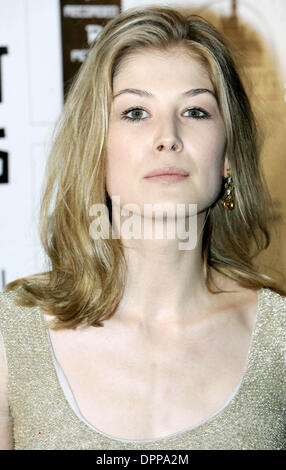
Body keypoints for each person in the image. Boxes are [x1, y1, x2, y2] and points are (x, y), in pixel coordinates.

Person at [0, 6, 285, 451]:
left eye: (195, 111)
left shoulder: (280, 339)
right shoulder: (12, 337)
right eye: (135, 112)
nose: (167, 136)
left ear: (228, 156)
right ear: (96, 148)